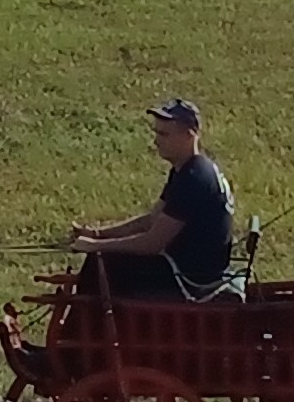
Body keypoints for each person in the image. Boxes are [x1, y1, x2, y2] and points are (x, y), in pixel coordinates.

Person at [67, 98, 235, 301]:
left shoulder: (194, 178)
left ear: (188, 135)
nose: (156, 141)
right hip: (187, 267)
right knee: (103, 260)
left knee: (101, 263)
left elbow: (152, 243)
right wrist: (97, 234)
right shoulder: (189, 169)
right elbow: (151, 220)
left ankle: (86, 331)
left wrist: (96, 246)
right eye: (156, 133)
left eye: (164, 134)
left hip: (189, 279)